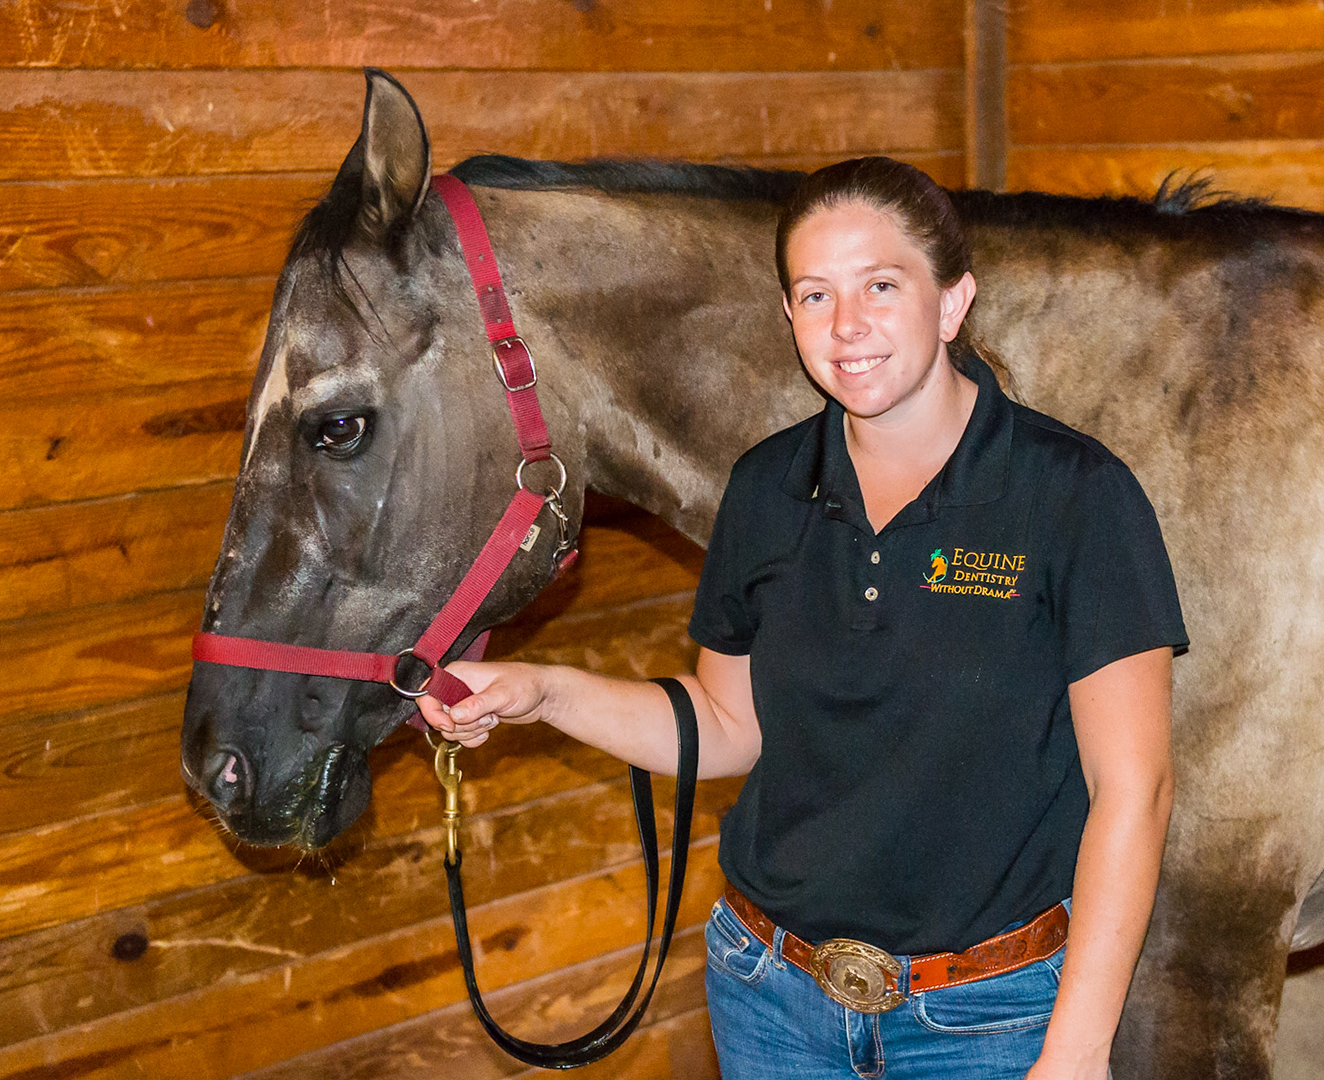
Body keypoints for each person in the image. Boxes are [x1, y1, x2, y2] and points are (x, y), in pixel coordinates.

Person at [420, 156, 1187, 1080]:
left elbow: (1133, 793)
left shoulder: (1076, 496)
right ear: (788, 318)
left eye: (881, 285)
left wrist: (1077, 1049)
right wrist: (544, 693)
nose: (848, 324)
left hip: (989, 1018)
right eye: (815, 295)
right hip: (771, 999)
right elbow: (729, 725)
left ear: (951, 304)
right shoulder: (764, 488)